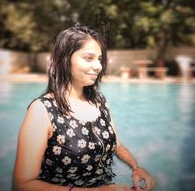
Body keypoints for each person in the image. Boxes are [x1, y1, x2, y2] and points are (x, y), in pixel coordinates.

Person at [12, 25, 155, 191]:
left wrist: (135, 167)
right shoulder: (42, 110)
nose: (98, 66)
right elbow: (22, 184)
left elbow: (116, 145)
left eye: (100, 59)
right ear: (64, 59)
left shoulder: (99, 102)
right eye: (89, 58)